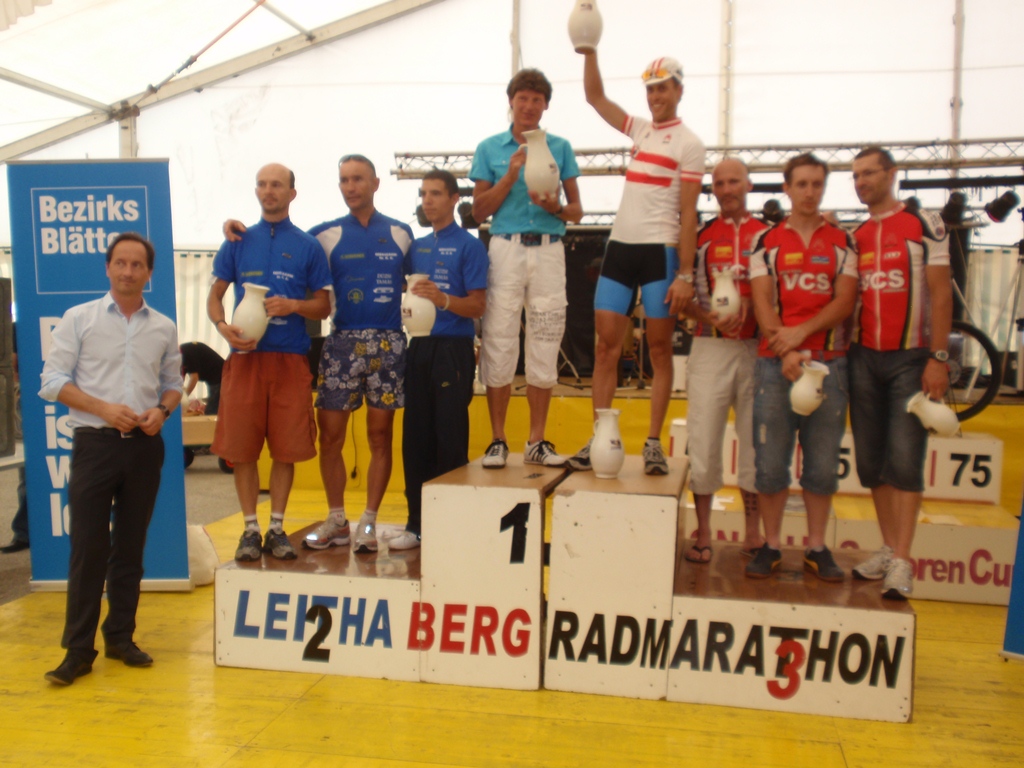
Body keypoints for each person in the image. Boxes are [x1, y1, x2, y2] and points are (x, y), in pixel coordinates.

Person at [38, 232, 182, 685]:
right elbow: (51, 381)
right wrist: (102, 408)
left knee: (131, 548)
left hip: (144, 447)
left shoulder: (163, 327)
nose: (128, 271)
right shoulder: (79, 319)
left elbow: (172, 383)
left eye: (137, 264)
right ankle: (78, 651)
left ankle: (120, 637)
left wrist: (162, 411)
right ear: (107, 267)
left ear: (149, 273)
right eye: (120, 262)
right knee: (88, 548)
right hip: (95, 445)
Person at [568, 52, 703, 476]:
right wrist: (589, 51)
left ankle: (653, 443)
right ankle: (600, 438)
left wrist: (685, 274)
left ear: (678, 90)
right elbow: (595, 97)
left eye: (662, 88)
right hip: (621, 249)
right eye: (650, 89)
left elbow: (688, 213)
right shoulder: (640, 129)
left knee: (658, 350)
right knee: (605, 347)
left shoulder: (690, 144)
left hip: (659, 251)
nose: (655, 96)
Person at [209, 163, 331, 563]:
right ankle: (250, 529)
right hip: (245, 359)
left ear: (292, 193)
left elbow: (324, 305)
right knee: (242, 450)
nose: (268, 191)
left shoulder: (308, 245)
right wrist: (222, 327)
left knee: (285, 450)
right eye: (262, 184)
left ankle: (277, 528)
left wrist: (294, 305)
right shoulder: (238, 240)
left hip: (290, 360)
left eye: (276, 185)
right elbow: (215, 297)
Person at [746, 153, 859, 582]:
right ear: (787, 188)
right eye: (802, 184)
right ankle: (772, 545)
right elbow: (762, 302)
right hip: (775, 365)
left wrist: (800, 335)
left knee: (822, 465)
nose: (810, 192)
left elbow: (844, 302)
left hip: (829, 364)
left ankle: (816, 547)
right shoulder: (765, 241)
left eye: (817, 184)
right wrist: (786, 350)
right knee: (771, 464)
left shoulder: (844, 241)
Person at [848, 146, 952, 599]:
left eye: (869, 173)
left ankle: (904, 560)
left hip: (912, 358)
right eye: (856, 176)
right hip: (863, 357)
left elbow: (941, 294)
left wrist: (939, 358)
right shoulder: (855, 235)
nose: (862, 182)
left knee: (906, 458)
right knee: (871, 462)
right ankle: (890, 548)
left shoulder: (924, 223)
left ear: (892, 174)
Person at [470, 68, 583, 469]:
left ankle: (536, 439)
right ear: (511, 101)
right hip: (506, 247)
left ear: (545, 105)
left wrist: (555, 207)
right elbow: (477, 211)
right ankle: (498, 439)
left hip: (550, 248)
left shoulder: (560, 147)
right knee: (499, 337)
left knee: (546, 337)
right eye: (523, 98)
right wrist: (511, 175)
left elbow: (576, 211)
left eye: (537, 99)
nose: (530, 106)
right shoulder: (490, 148)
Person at [302, 155, 414, 553]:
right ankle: (337, 520)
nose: (350, 187)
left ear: (375, 183)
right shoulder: (323, 234)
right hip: (342, 343)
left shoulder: (401, 233)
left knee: (379, 436)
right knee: (331, 437)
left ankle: (368, 521)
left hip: (389, 343)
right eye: (344, 180)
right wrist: (238, 232)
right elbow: (281, 244)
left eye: (358, 179)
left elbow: (420, 284)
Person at [389, 170, 488, 550]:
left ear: (454, 199)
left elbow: (478, 305)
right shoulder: (415, 247)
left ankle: (452, 525)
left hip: (453, 350)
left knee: (449, 437)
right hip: (418, 347)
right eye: (423, 194)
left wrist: (443, 299)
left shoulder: (470, 246)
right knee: (415, 438)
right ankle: (416, 524)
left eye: (435, 193)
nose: (427, 201)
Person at [682, 158, 766, 562]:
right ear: (711, 189)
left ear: (749, 185)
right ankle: (703, 531)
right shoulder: (699, 238)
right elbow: (680, 300)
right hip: (710, 346)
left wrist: (757, 307)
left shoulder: (769, 236)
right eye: (719, 183)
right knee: (703, 439)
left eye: (734, 181)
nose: (727, 189)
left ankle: (753, 533)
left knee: (756, 442)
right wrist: (705, 315)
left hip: (758, 348)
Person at [3, 323, 29, 554]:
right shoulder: (18, 326)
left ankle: (24, 532)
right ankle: (24, 532)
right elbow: (12, 363)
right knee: (28, 469)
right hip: (29, 394)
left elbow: (12, 362)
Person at [179, 341, 224, 415]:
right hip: (214, 378)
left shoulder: (187, 353)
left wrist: (185, 396)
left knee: (212, 410)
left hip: (219, 376)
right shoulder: (180, 356)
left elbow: (194, 378)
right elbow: (179, 379)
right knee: (213, 408)